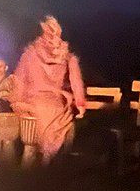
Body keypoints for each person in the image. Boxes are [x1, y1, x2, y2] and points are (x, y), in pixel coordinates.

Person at [11, 15, 85, 163]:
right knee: (64, 123)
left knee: (30, 139)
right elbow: (76, 83)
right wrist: (80, 104)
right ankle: (50, 166)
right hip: (56, 107)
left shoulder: (29, 53)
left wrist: (16, 102)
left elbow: (19, 80)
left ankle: (31, 172)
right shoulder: (67, 56)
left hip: (32, 105)